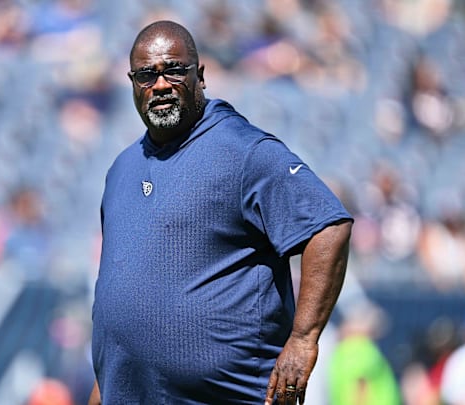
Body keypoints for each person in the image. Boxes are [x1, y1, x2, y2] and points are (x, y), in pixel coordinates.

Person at [89, 20, 352, 405]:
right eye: (146, 75)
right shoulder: (121, 169)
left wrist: (302, 340)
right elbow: (122, 299)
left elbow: (329, 227)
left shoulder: (242, 150)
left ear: (201, 76)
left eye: (173, 70)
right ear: (132, 84)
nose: (160, 85)